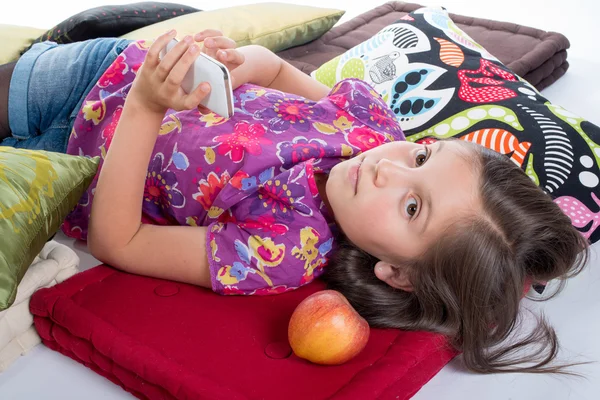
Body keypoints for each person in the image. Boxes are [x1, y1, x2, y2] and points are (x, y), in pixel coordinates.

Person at [0, 30, 589, 374]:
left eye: (413, 208)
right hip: (101, 68)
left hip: (64, 161)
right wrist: (236, 60)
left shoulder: (283, 251)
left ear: (397, 274)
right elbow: (277, 70)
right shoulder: (371, 130)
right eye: (424, 157)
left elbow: (117, 241)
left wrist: (149, 108)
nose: (388, 167)